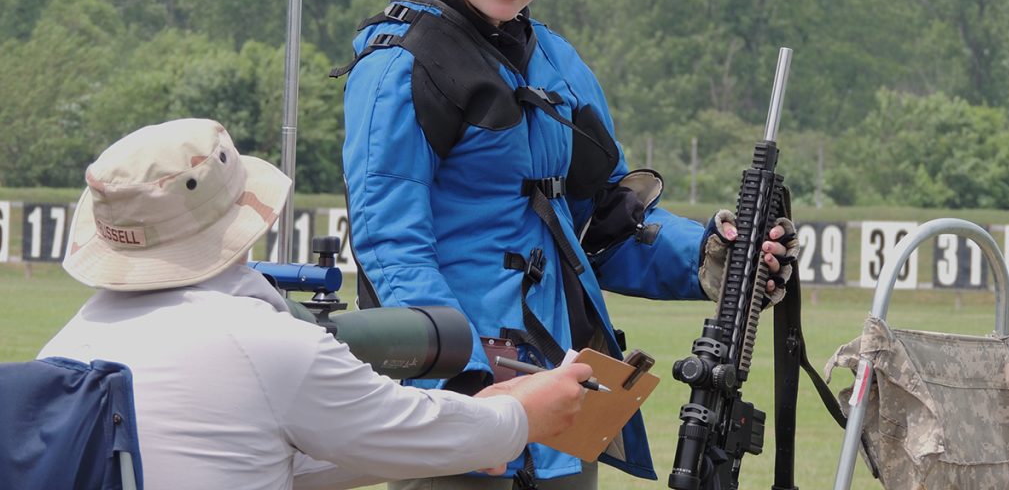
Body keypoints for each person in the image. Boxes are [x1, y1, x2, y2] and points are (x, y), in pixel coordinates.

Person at [339, 0, 797, 489]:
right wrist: (470, 391)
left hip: (563, 403)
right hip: (459, 410)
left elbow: (601, 221)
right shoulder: (399, 67)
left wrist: (711, 256)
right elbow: (392, 248)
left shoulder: (556, 60)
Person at [40, 117, 596, 490]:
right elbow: (407, 429)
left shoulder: (63, 348)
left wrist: (479, 423)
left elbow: (265, 455)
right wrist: (523, 412)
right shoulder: (265, 344)